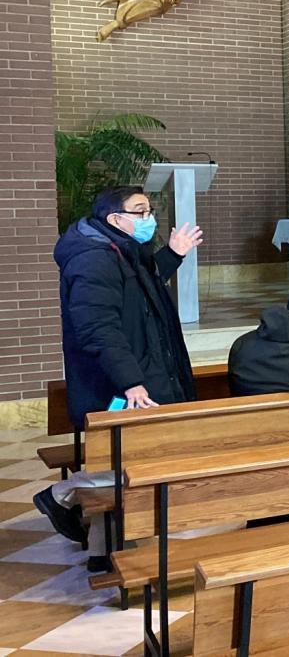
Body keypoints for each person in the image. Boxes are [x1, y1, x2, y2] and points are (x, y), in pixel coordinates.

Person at [33, 186, 204, 571]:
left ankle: (101, 551)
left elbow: (140, 292)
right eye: (141, 212)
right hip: (116, 380)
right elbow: (98, 328)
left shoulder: (116, 248)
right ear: (115, 219)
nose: (150, 219)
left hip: (139, 368)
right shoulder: (93, 259)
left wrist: (173, 255)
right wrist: (131, 382)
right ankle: (63, 494)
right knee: (125, 462)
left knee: (130, 458)